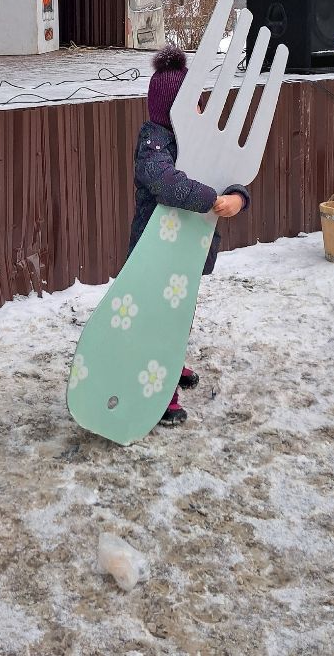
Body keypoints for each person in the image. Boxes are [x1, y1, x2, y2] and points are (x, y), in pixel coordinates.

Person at [128, 46, 249, 427]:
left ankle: (171, 361)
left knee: (178, 313)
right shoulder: (154, 145)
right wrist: (210, 198)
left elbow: (227, 174)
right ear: (172, 110)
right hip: (155, 252)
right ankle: (160, 391)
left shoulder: (194, 143)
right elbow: (167, 184)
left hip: (185, 251)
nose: (201, 111)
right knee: (157, 320)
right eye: (194, 105)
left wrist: (237, 198)